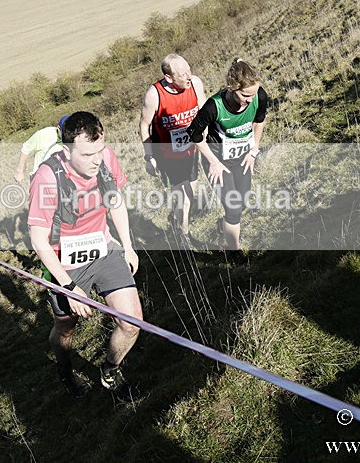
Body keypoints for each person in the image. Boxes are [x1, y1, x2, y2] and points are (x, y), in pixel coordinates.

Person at [28, 111, 142, 403]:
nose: (96, 159)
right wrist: (69, 287)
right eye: (88, 153)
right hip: (64, 263)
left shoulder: (105, 160)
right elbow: (39, 241)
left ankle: (110, 370)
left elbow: (115, 202)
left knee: (131, 323)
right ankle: (66, 372)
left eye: (100, 150)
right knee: (66, 328)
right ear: (66, 151)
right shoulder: (46, 177)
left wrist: (127, 246)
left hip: (103, 249)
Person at [187, 58, 270, 251]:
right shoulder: (214, 106)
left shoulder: (259, 96)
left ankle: (225, 225)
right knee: (233, 208)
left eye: (253, 94)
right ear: (232, 88)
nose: (250, 100)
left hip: (242, 158)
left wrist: (254, 150)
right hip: (218, 162)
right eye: (245, 95)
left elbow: (259, 121)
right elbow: (194, 134)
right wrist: (213, 162)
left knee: (242, 201)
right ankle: (234, 252)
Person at [140, 54, 206, 237]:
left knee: (190, 194)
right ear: (169, 78)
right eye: (183, 74)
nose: (188, 77)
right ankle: (184, 238)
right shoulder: (155, 94)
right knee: (184, 198)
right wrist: (149, 157)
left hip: (191, 150)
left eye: (189, 71)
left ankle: (177, 222)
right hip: (166, 155)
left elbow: (204, 111)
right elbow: (144, 125)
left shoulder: (195, 84)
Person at [14, 115, 69, 184]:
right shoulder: (43, 135)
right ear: (58, 129)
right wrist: (19, 171)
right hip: (41, 180)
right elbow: (26, 148)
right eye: (64, 133)